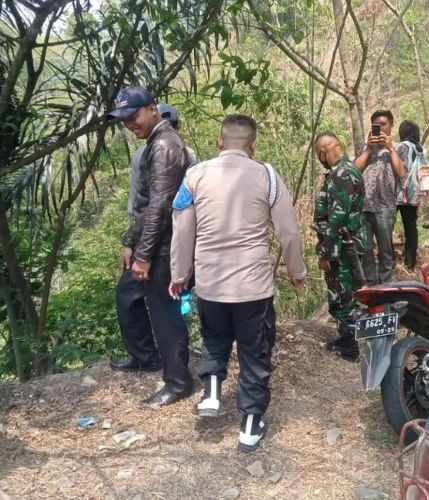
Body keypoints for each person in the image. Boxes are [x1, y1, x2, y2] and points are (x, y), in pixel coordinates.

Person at [170, 114, 307, 453]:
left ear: (220, 142)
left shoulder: (194, 176)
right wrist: (296, 270)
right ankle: (249, 425)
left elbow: (183, 231)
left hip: (211, 284)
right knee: (254, 354)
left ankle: (212, 391)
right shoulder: (268, 177)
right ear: (253, 145)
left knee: (215, 340)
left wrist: (179, 275)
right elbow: (288, 232)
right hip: (252, 288)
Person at [108, 87, 194, 407]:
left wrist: (144, 255)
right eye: (125, 120)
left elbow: (161, 205)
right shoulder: (154, 144)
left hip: (164, 247)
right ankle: (146, 356)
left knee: (165, 312)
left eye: (134, 116)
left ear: (153, 109)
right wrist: (131, 243)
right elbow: (145, 205)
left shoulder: (165, 145)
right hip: (150, 242)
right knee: (127, 293)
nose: (131, 124)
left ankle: (178, 381)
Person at [314, 132, 366, 361]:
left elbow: (337, 217)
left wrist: (325, 250)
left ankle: (349, 345)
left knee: (341, 293)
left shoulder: (342, 174)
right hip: (345, 243)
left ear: (323, 152)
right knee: (345, 291)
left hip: (342, 246)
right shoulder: (347, 170)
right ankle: (347, 339)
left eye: (319, 155)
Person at [354, 110, 408, 284]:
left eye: (384, 124)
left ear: (392, 125)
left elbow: (401, 172)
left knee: (385, 249)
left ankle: (386, 284)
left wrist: (390, 147)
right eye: (376, 125)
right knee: (366, 248)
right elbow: (355, 170)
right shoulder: (367, 147)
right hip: (365, 205)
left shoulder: (400, 148)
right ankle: (371, 284)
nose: (380, 128)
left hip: (385, 206)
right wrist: (369, 149)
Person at [396, 120, 426, 270]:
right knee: (411, 229)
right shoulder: (421, 149)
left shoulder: (401, 147)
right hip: (414, 194)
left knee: (387, 228)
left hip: (399, 194)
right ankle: (410, 264)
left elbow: (397, 168)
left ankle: (390, 262)